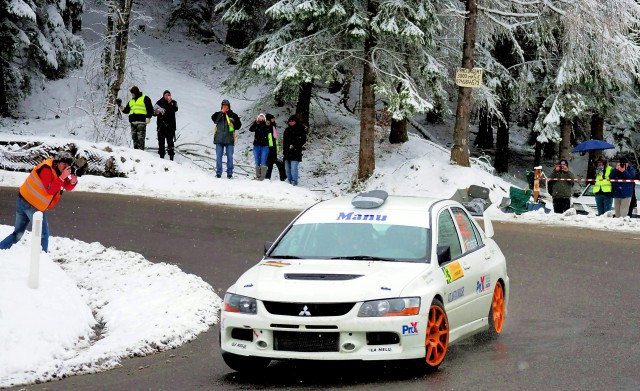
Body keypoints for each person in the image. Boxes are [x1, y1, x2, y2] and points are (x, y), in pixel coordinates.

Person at [0, 152, 78, 253]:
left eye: (68, 165)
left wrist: (72, 181)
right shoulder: (46, 169)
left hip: (25, 201)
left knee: (17, 234)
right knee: (43, 236)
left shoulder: (58, 171)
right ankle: (42, 261)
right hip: (32, 207)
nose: (66, 167)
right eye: (64, 164)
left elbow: (66, 186)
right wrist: (62, 178)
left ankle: (1, 249)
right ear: (58, 162)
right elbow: (49, 190)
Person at [211, 99, 242, 178]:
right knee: (218, 156)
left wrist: (233, 125)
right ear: (221, 106)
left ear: (229, 106)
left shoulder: (233, 115)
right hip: (219, 139)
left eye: (226, 105)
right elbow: (215, 120)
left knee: (230, 157)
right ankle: (218, 173)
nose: (225, 106)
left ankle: (230, 173)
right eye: (223, 105)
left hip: (229, 139)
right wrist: (222, 113)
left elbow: (239, 125)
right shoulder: (217, 114)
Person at [118, 86, 154, 150]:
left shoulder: (145, 98)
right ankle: (136, 154)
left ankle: (141, 154)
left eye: (132, 93)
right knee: (134, 139)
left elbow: (150, 109)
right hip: (133, 122)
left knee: (140, 139)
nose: (132, 94)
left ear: (136, 92)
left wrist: (148, 117)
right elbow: (126, 110)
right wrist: (120, 105)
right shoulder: (131, 101)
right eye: (131, 93)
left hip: (141, 122)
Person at [282, 115, 307, 186]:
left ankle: (294, 182)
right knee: (287, 168)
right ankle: (289, 182)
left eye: (292, 121)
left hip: (296, 152)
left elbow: (303, 140)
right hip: (287, 152)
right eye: (290, 121)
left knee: (293, 168)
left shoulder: (301, 129)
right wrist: (284, 150)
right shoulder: (287, 130)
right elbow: (284, 142)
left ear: (296, 121)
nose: (291, 122)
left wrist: (294, 145)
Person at [154, 90, 178, 160]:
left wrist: (170, 103)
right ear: (163, 95)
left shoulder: (173, 102)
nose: (167, 96)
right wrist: (157, 112)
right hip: (161, 126)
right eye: (166, 95)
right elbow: (153, 112)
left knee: (170, 143)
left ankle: (171, 157)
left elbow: (175, 109)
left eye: (169, 95)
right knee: (161, 142)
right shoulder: (159, 102)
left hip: (170, 126)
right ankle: (161, 157)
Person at [264, 113, 286, 181]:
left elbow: (275, 138)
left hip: (273, 148)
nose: (273, 120)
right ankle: (268, 177)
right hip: (268, 148)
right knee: (270, 164)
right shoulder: (266, 127)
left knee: (273, 163)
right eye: (272, 119)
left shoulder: (273, 127)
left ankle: (282, 177)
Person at [249, 113, 271, 180]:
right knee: (257, 161)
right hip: (256, 145)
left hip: (264, 146)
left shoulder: (266, 125)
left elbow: (269, 130)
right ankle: (258, 175)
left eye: (262, 118)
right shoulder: (256, 125)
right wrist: (256, 123)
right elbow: (251, 129)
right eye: (259, 117)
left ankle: (262, 176)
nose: (260, 119)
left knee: (263, 160)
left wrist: (263, 123)